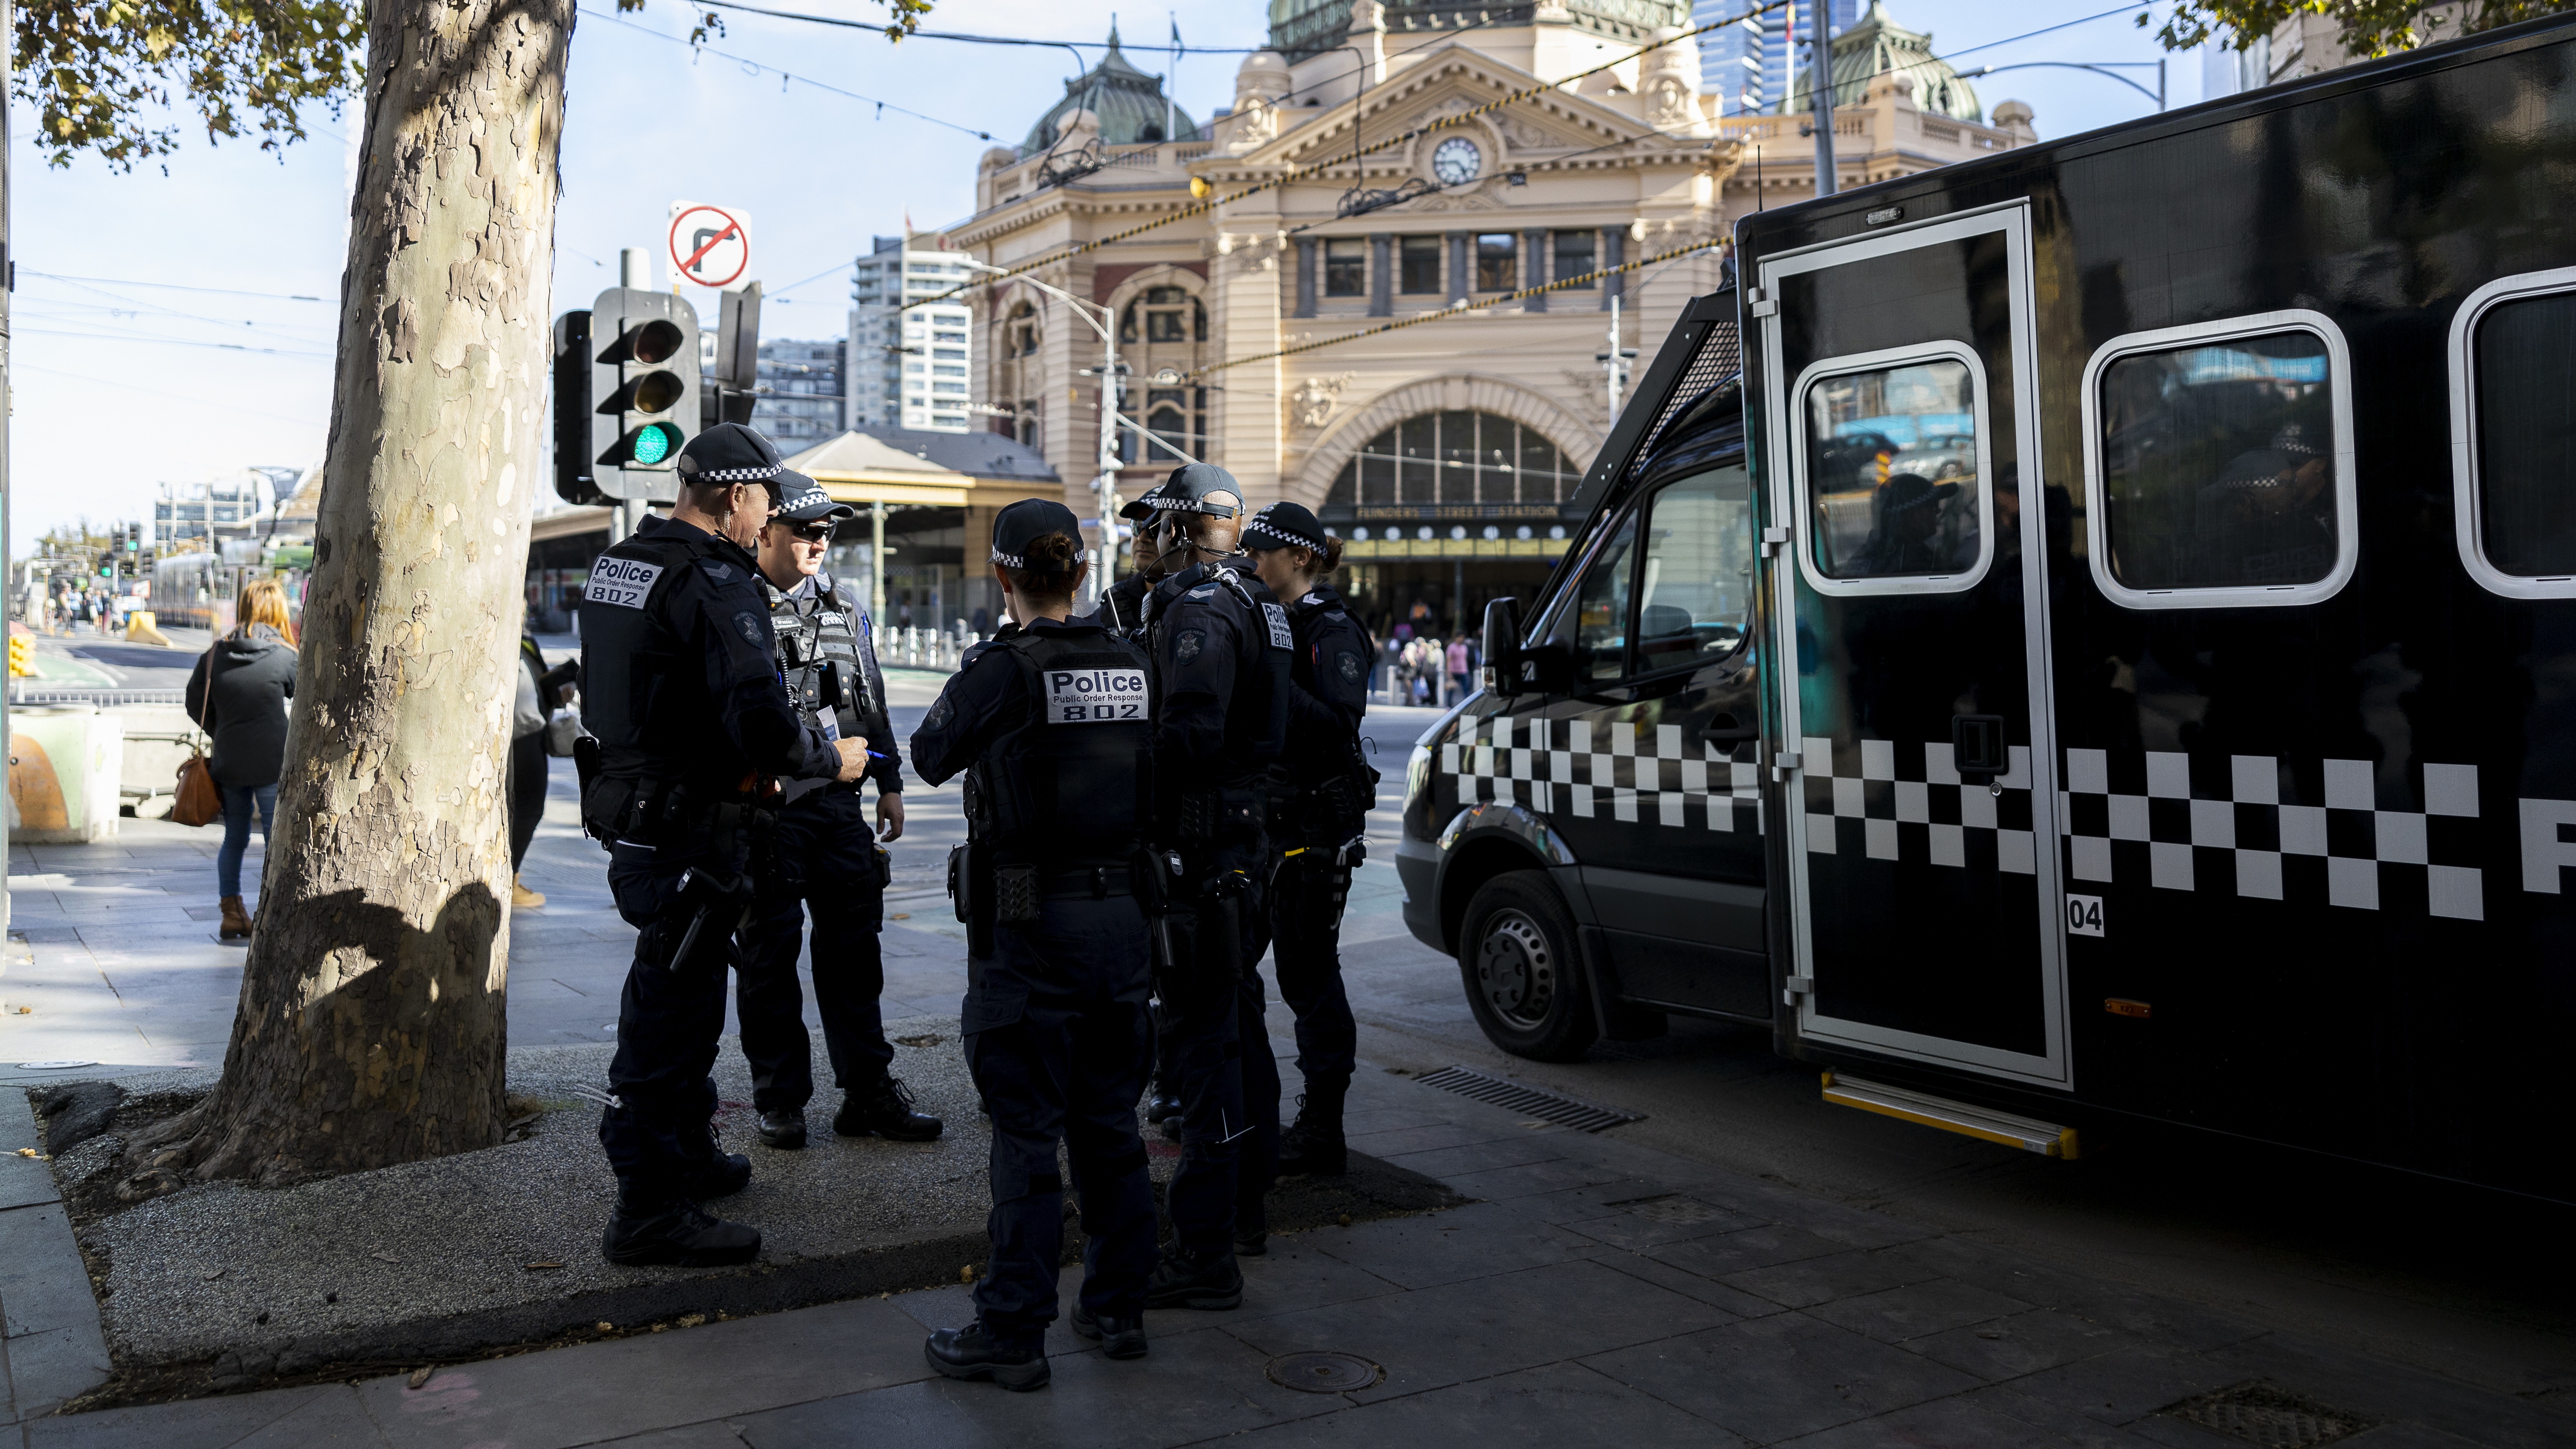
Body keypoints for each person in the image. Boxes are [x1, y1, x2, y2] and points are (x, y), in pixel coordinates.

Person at [574, 422, 870, 1268]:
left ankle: (690, 1158)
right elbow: (762, 724)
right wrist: (834, 757)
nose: (769, 517)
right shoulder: (715, 583)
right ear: (739, 498)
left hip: (640, 815)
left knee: (692, 998)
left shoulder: (621, 564)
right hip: (695, 831)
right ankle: (647, 1209)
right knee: (668, 1020)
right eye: (768, 502)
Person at [911, 499, 1160, 1391]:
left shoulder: (1004, 670)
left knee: (1026, 1133)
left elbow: (929, 753)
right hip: (1123, 927)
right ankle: (1119, 1308)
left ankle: (1014, 1330)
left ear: (1005, 575)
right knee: (1109, 1126)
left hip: (1031, 932)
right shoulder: (1133, 663)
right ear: (1082, 575)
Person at [736, 470, 942, 1151]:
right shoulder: (735, 607)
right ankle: (781, 1100)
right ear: (765, 531)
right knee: (769, 959)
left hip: (837, 811)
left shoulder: (845, 608)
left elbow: (869, 702)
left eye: (830, 531)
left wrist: (890, 782)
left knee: (854, 955)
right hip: (765, 815)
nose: (822, 542)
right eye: (808, 530)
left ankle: (868, 1093)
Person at [1138, 462, 1290, 1296]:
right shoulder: (1262, 603)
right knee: (1237, 1025)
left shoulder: (1201, 609)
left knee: (1202, 1046)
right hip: (1243, 846)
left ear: (1178, 528)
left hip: (1204, 857)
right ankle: (1246, 1206)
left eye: (1160, 525)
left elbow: (1189, 735)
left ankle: (1205, 1249)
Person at [1240, 503, 1372, 1177]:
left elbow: (1337, 722)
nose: (1251, 560)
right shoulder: (1275, 622)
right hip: (1269, 829)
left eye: (1261, 551)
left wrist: (1275, 679)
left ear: (1297, 558)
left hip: (1314, 835)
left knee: (1309, 976)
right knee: (1236, 970)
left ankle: (1324, 1129)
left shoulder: (1331, 628)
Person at [184, 577, 297, 943]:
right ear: (278, 611)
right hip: (271, 762)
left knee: (234, 838)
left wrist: (223, 732)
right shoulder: (284, 656)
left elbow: (194, 703)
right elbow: (307, 697)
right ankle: (273, 915)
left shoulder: (216, 655)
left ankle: (232, 914)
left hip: (229, 762)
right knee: (273, 838)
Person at [508, 632, 575, 911]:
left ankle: (509, 876)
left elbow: (534, 683)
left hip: (531, 730)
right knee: (527, 808)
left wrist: (557, 693)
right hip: (518, 732)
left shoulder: (524, 639)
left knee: (528, 808)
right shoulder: (508, 633)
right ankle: (508, 879)